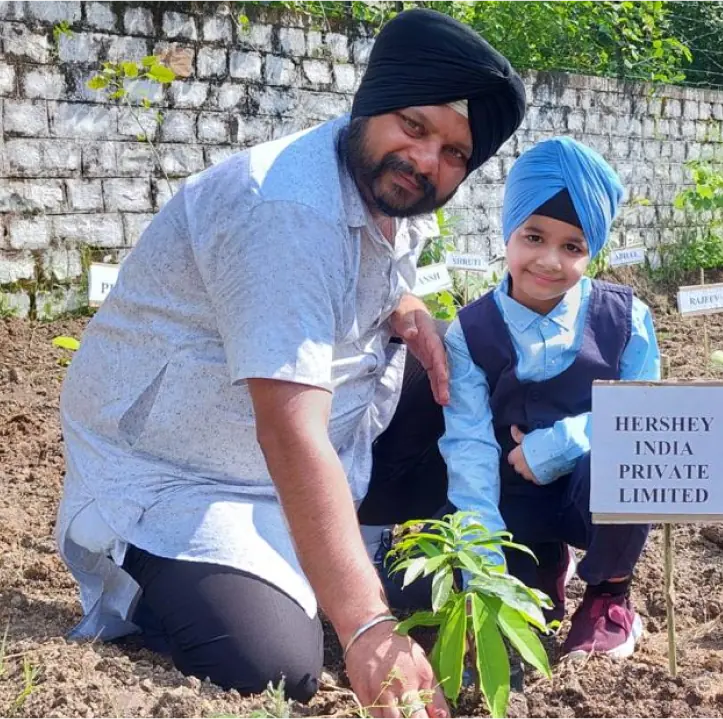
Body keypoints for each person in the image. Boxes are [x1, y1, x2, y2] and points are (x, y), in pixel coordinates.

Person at [53, 8, 525, 715]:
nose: (428, 160)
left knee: (467, 387)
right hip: (182, 471)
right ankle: (152, 568)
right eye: (415, 126)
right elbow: (287, 431)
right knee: (270, 662)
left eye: (455, 153)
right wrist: (364, 624)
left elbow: (350, 279)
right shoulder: (284, 207)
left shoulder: (386, 191)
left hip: (318, 433)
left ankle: (355, 566)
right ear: (368, 105)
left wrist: (406, 309)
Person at [437, 137, 660, 660]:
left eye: (573, 247)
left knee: (629, 459)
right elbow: (468, 444)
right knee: (509, 614)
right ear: (508, 232)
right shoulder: (470, 332)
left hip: (591, 497)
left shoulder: (626, 321)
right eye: (533, 236)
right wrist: (483, 573)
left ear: (592, 251)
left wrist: (559, 443)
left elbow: (647, 418)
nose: (549, 260)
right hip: (512, 496)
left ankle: (607, 596)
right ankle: (538, 566)